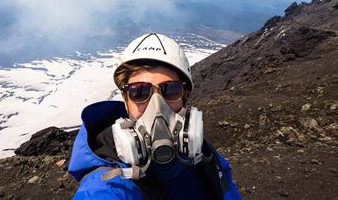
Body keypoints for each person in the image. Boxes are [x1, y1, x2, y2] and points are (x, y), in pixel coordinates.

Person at [68, 33, 242, 199]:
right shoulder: (109, 186)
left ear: (185, 96)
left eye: (170, 89)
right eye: (139, 91)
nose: (157, 106)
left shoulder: (207, 159)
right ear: (125, 100)